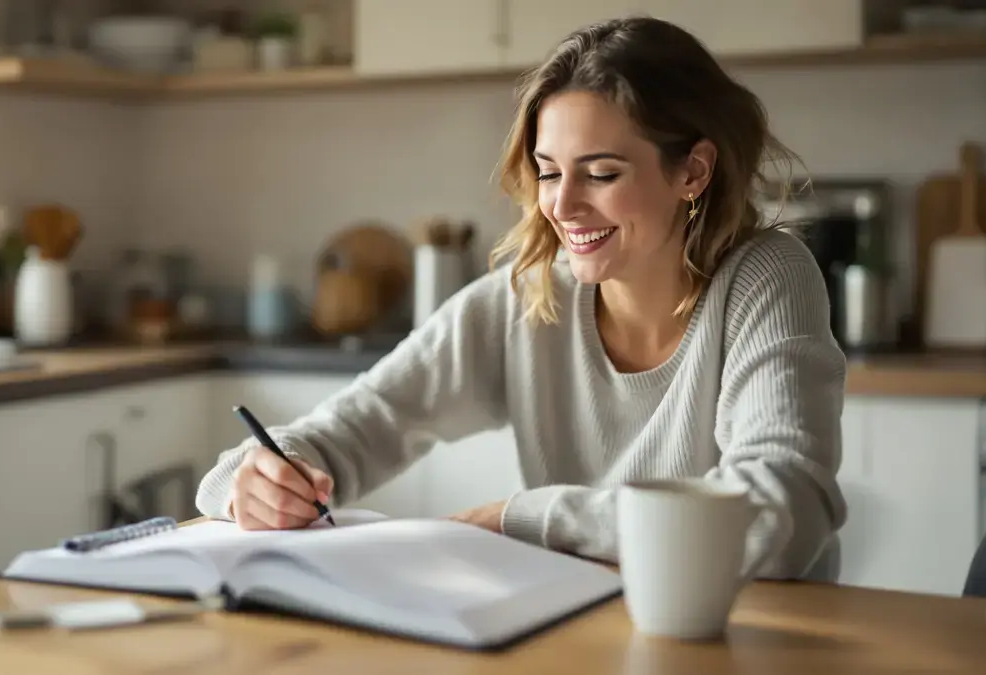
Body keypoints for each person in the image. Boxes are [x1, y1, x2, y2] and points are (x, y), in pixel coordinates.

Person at [194, 16, 848, 581]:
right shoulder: (531, 299)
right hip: (585, 629)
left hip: (755, 633)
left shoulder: (767, 275)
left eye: (601, 173)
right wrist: (256, 481)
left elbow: (780, 517)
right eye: (549, 171)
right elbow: (357, 423)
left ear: (692, 171)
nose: (562, 206)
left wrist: (519, 517)